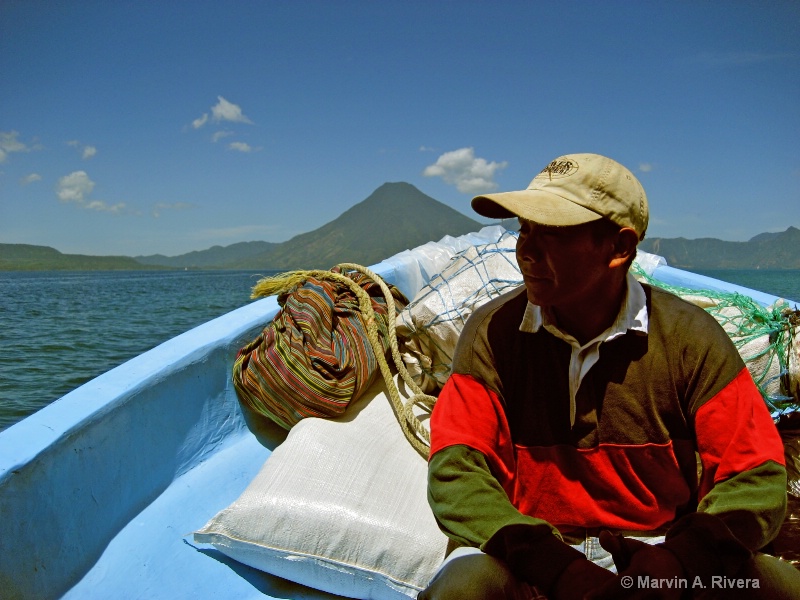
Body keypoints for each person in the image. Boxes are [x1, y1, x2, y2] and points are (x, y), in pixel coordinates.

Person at [418, 153, 800, 599]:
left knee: (778, 586)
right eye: (524, 229)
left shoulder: (690, 339)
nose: (526, 248)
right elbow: (456, 472)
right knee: (463, 588)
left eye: (553, 232)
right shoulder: (493, 332)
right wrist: (558, 568)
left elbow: (755, 478)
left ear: (620, 248)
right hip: (529, 557)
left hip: (661, 558)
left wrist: (678, 560)